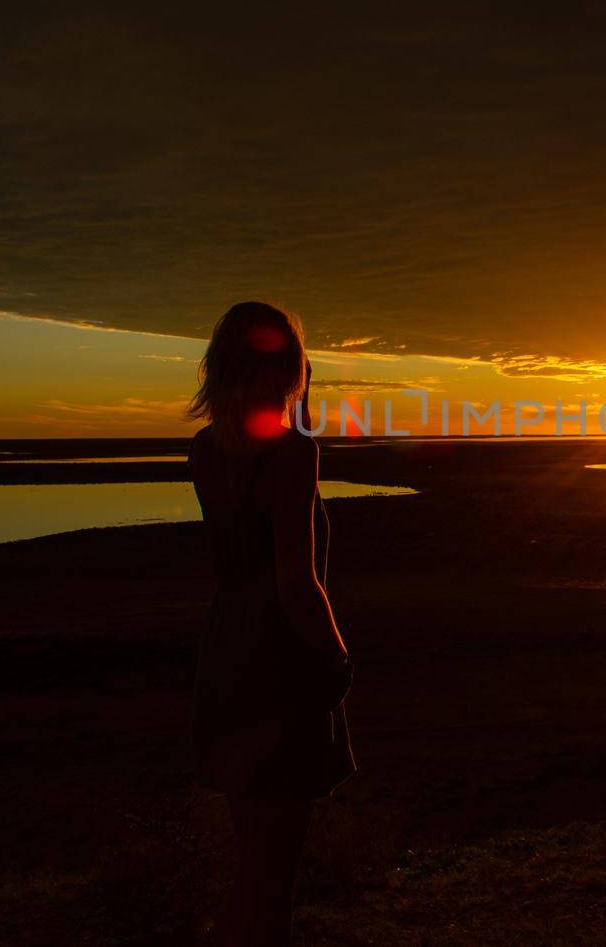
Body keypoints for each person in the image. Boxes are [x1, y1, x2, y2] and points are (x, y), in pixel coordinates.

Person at [186, 301, 355, 946]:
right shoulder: (291, 456)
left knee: (251, 863)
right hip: (279, 657)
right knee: (273, 875)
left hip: (226, 648)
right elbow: (295, 579)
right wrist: (337, 657)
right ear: (289, 368)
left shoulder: (203, 450)